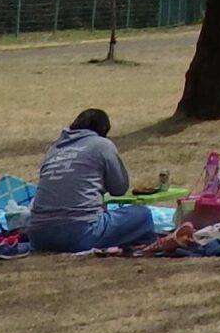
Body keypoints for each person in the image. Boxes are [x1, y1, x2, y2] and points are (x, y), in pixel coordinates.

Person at [26, 108, 155, 252]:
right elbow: (119, 189)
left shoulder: (54, 149)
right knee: (143, 215)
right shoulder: (101, 144)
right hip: (80, 232)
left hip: (39, 236)